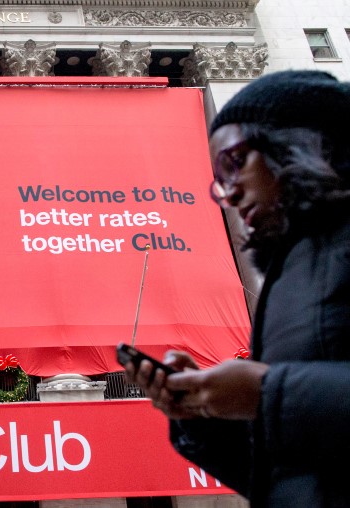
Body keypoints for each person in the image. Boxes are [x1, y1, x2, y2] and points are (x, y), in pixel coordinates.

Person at [124, 70, 350, 507]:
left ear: (299, 143)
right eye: (218, 179)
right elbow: (285, 474)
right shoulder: (288, 272)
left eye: (233, 162)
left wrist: (266, 394)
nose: (228, 193)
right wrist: (202, 416)